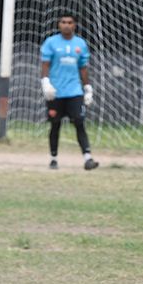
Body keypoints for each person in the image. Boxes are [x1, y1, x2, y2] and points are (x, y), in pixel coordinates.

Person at [40, 13, 99, 170]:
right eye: (63, 22)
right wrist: (45, 82)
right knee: (55, 124)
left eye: (70, 22)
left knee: (79, 122)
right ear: (59, 24)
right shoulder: (51, 42)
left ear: (74, 25)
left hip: (74, 91)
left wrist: (87, 88)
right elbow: (45, 64)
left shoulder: (80, 44)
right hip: (55, 92)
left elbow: (83, 68)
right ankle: (53, 158)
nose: (66, 25)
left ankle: (88, 158)